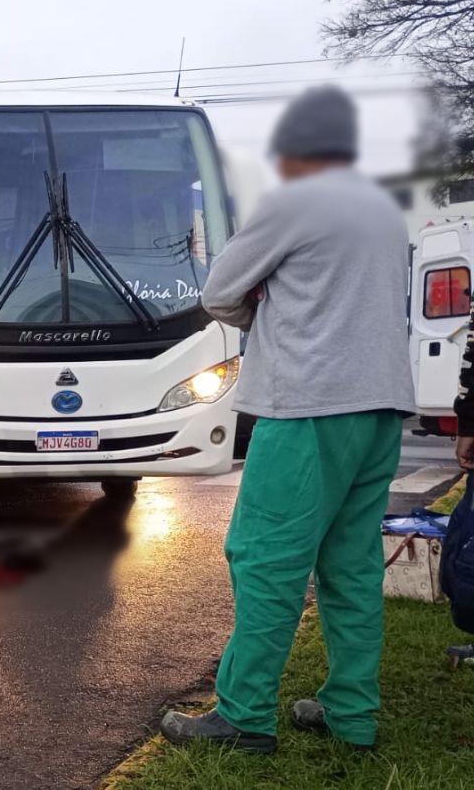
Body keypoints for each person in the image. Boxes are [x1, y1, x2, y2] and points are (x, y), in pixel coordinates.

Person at [159, 86, 415, 753]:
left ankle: (242, 716)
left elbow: (219, 293)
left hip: (306, 406)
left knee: (266, 560)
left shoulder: (291, 204)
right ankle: (351, 714)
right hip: (381, 407)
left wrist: (262, 311)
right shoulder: (384, 211)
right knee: (352, 566)